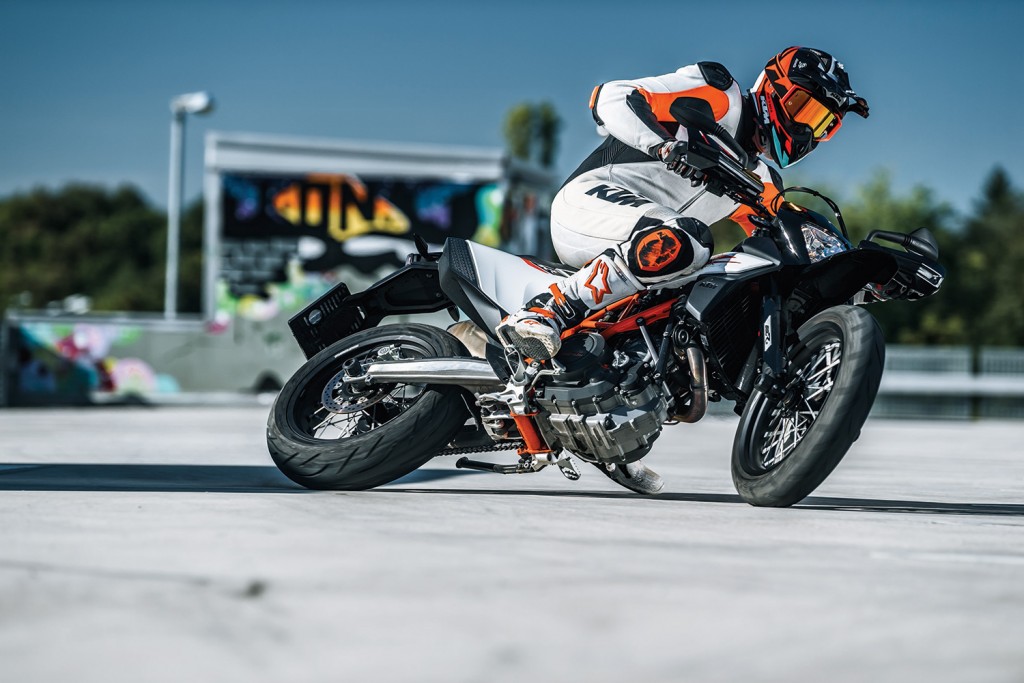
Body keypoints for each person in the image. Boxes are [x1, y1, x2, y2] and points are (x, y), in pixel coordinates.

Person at [496, 46, 869, 494]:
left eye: (822, 124)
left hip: (647, 249)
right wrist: (662, 144)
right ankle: (548, 310)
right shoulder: (720, 94)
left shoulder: (763, 178)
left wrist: (855, 276)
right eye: (804, 108)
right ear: (774, 88)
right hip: (591, 202)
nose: (807, 128)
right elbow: (611, 97)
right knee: (690, 241)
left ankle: (615, 400)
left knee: (704, 293)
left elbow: (784, 238)